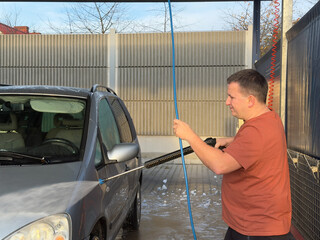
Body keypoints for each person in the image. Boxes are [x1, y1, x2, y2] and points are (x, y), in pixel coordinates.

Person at [173, 69, 293, 240]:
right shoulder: (269, 119)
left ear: (250, 100)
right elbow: (257, 145)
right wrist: (233, 140)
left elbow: (219, 165)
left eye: (232, 97)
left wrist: (190, 136)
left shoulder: (256, 131)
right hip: (252, 225)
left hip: (256, 230)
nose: (227, 102)